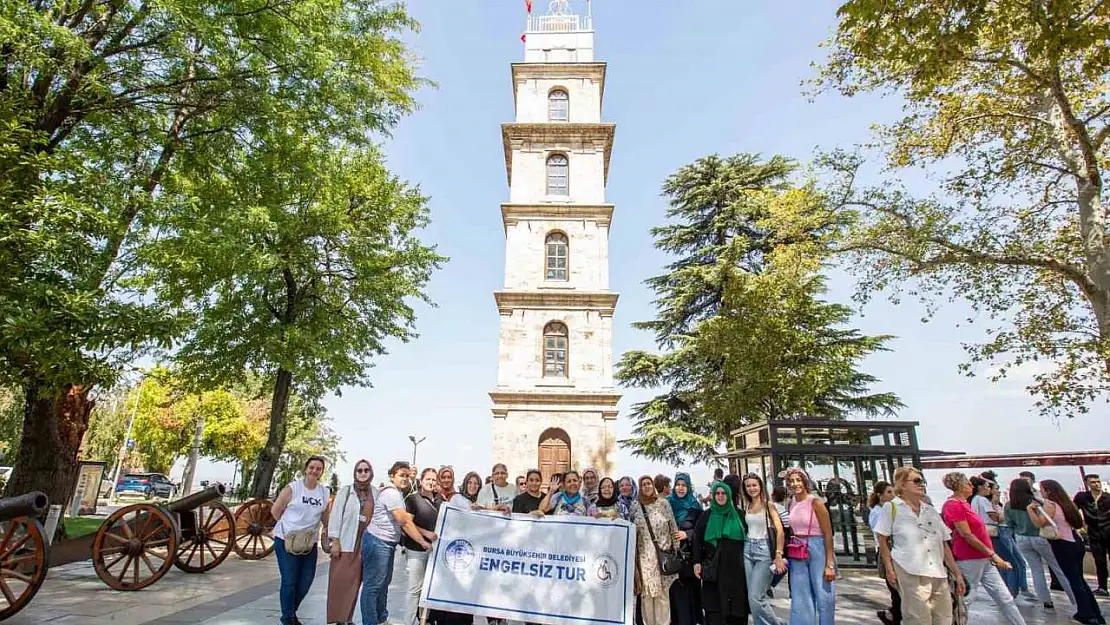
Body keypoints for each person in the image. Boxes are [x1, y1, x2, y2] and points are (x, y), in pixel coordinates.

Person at [874, 467, 964, 625]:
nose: (922, 484)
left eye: (923, 481)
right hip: (910, 570)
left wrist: (956, 573)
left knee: (944, 618)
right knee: (917, 618)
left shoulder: (930, 510)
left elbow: (943, 543)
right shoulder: (892, 508)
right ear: (902, 485)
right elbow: (883, 539)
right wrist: (889, 568)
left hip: (937, 571)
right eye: (916, 481)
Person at [940, 472, 1026, 625]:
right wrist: (992, 554)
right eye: (967, 483)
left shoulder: (964, 504)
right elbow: (966, 534)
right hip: (969, 557)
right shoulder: (954, 505)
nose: (971, 485)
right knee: (967, 597)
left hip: (982, 556)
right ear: (959, 486)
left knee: (1004, 597)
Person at [361, 461, 435, 625]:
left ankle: (381, 619)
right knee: (373, 587)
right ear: (392, 476)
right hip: (377, 542)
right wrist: (423, 542)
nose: (405, 479)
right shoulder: (391, 494)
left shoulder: (398, 493)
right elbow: (405, 522)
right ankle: (370, 621)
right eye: (402, 475)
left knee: (383, 585)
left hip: (386, 544)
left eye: (407, 476)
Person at [1031, 479, 1106, 625]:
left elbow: (1039, 523)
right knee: (1079, 580)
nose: (1040, 492)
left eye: (1042, 489)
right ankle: (1094, 612)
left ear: (1048, 491)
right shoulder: (1065, 503)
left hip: (1062, 544)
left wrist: (1030, 510)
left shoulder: (1050, 504)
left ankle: (1086, 614)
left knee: (1074, 581)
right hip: (1075, 542)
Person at [272, 455, 331, 625]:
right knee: (290, 580)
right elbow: (276, 511)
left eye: (318, 469)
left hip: (308, 543)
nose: (314, 471)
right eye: (312, 467)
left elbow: (325, 517)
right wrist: (289, 528)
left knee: (306, 581)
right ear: (306, 468)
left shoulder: (324, 492)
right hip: (286, 541)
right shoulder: (293, 488)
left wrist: (328, 534)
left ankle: (290, 612)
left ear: (321, 472)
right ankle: (288, 618)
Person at [1005, 477, 1074, 611]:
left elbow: (1009, 524)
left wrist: (1018, 531)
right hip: (1041, 536)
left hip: (1021, 538)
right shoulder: (1035, 503)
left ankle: (1046, 601)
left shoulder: (1009, 505)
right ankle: (1074, 598)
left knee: (1036, 570)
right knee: (1058, 568)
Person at [693, 480, 750, 625]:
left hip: (737, 568)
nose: (720, 496)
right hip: (714, 568)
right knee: (714, 609)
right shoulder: (706, 516)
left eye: (724, 493)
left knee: (737, 608)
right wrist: (696, 562)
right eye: (717, 493)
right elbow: (697, 540)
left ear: (729, 495)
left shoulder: (740, 515)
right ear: (713, 495)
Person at [783, 467, 836, 625]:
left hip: (817, 546)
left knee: (824, 596)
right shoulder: (790, 503)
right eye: (791, 481)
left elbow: (828, 533)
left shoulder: (816, 503)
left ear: (805, 482)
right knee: (800, 596)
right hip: (798, 548)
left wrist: (829, 564)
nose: (795, 484)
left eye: (798, 480)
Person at [325, 459, 374, 625]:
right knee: (340, 582)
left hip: (366, 544)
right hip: (346, 542)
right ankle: (337, 618)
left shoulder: (375, 493)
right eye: (359, 470)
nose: (363, 473)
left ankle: (347, 618)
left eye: (366, 470)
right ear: (355, 473)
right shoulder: (346, 492)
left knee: (356, 583)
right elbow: (335, 517)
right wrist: (335, 541)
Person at [634, 475, 680, 625]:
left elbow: (673, 527)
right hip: (644, 558)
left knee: (662, 594)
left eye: (649, 484)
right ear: (640, 488)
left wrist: (676, 549)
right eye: (643, 484)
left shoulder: (663, 504)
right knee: (647, 595)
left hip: (663, 556)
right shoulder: (635, 506)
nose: (646, 486)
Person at [742, 474, 786, 625]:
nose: (751, 488)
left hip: (763, 550)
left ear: (760, 486)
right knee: (752, 597)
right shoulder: (747, 506)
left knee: (756, 597)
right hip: (748, 550)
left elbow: (780, 531)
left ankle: (777, 623)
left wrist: (778, 555)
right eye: (748, 486)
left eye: (754, 485)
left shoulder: (768, 505)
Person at [404, 468, 443, 625]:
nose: (431, 482)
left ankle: (423, 621)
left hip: (433, 551)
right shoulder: (412, 499)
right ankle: (408, 622)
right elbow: (407, 523)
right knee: (415, 590)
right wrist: (425, 534)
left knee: (428, 590)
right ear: (421, 481)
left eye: (434, 480)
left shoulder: (440, 500)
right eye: (428, 479)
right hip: (416, 550)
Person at [667, 473, 704, 625]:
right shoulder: (667, 504)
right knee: (676, 595)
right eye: (678, 485)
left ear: (688, 487)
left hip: (690, 557)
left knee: (691, 595)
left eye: (684, 485)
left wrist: (687, 534)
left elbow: (702, 530)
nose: (681, 488)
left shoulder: (695, 506)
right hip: (672, 558)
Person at [868, 481, 901, 625]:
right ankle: (894, 616)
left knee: (900, 591)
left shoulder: (893, 508)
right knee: (896, 590)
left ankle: (894, 615)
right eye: (888, 492)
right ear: (879, 495)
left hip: (897, 551)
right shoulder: (877, 512)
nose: (892, 495)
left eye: (893, 492)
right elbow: (881, 536)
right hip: (886, 551)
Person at [1075, 473, 1110, 597]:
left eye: (1098, 481)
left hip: (1108, 531)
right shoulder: (1082, 497)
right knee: (1099, 562)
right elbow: (1073, 510)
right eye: (1093, 482)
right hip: (1094, 534)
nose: (1096, 484)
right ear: (1088, 484)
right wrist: (1078, 526)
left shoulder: (1107, 497)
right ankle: (1102, 587)